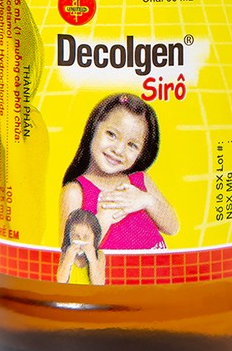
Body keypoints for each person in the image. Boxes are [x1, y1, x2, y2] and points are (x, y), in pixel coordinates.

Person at [60, 93, 179, 250]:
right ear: (94, 127)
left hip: (160, 265)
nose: (118, 150)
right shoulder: (76, 192)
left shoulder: (140, 180)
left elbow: (173, 227)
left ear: (142, 153)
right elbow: (71, 255)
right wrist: (103, 218)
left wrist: (147, 200)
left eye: (132, 145)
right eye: (111, 134)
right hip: (114, 267)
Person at [56, 208, 106, 285]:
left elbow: (99, 283)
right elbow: (60, 280)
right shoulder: (66, 253)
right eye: (76, 236)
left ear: (94, 237)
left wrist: (92, 259)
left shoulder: (99, 255)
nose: (81, 240)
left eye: (86, 237)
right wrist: (68, 259)